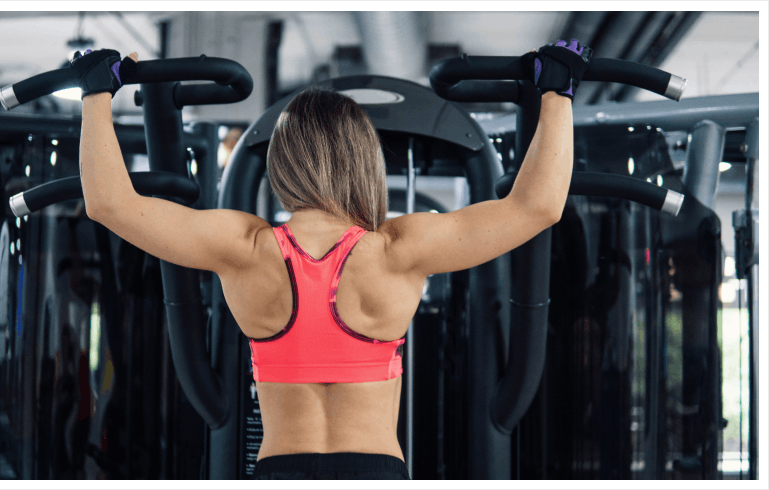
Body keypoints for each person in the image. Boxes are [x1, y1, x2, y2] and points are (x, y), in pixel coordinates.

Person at [71, 39, 591, 480]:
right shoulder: (396, 251)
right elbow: (537, 206)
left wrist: (95, 91)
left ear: (282, 161)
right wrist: (557, 91)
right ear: (363, 159)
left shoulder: (246, 249)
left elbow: (109, 204)